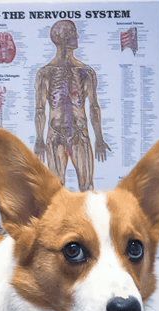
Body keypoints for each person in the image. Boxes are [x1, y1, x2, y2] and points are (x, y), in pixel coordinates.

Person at [34, 19, 111, 191]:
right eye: (71, 33)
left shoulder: (86, 72)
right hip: (55, 137)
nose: (77, 36)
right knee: (55, 191)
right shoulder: (45, 73)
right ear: (60, 38)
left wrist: (99, 138)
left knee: (87, 187)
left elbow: (94, 107)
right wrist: (39, 139)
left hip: (80, 135)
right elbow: (40, 109)